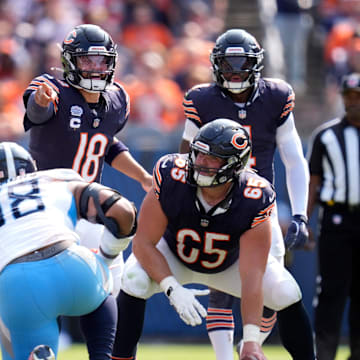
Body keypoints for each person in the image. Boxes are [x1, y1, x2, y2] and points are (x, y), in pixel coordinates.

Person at [112, 119, 315, 360]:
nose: (200, 163)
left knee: (286, 292)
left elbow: (252, 275)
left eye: (212, 158)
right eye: (198, 154)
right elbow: (143, 244)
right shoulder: (172, 174)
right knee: (134, 279)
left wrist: (251, 340)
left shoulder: (255, 196)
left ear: (234, 164)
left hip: (229, 264)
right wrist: (172, 288)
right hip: (174, 256)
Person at [179, 28, 312, 359]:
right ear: (216, 66)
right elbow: (184, 160)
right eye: (228, 64)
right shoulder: (201, 99)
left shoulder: (276, 96)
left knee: (272, 293)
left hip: (258, 206)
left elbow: (294, 161)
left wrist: (299, 213)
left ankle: (248, 347)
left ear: (257, 65)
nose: (235, 72)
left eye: (242, 64)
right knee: (220, 289)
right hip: (213, 203)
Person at [21, 24, 152, 338]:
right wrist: (39, 101)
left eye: (101, 61)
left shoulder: (117, 98)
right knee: (44, 285)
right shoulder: (51, 87)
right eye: (87, 60)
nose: (95, 68)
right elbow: (37, 114)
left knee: (117, 282)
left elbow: (106, 144)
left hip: (89, 206)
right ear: (69, 62)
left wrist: (144, 177)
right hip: (48, 205)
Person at [0, 141, 137, 360]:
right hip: (73, 263)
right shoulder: (55, 178)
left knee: (11, 325)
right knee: (102, 277)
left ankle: (39, 353)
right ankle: (103, 356)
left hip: (18, 283)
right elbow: (121, 209)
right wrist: (108, 254)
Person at [307, 72, 360, 360]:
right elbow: (312, 181)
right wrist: (305, 220)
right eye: (349, 97)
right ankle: (324, 355)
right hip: (337, 220)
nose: (353, 103)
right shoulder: (326, 136)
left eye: (358, 97)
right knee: (331, 292)